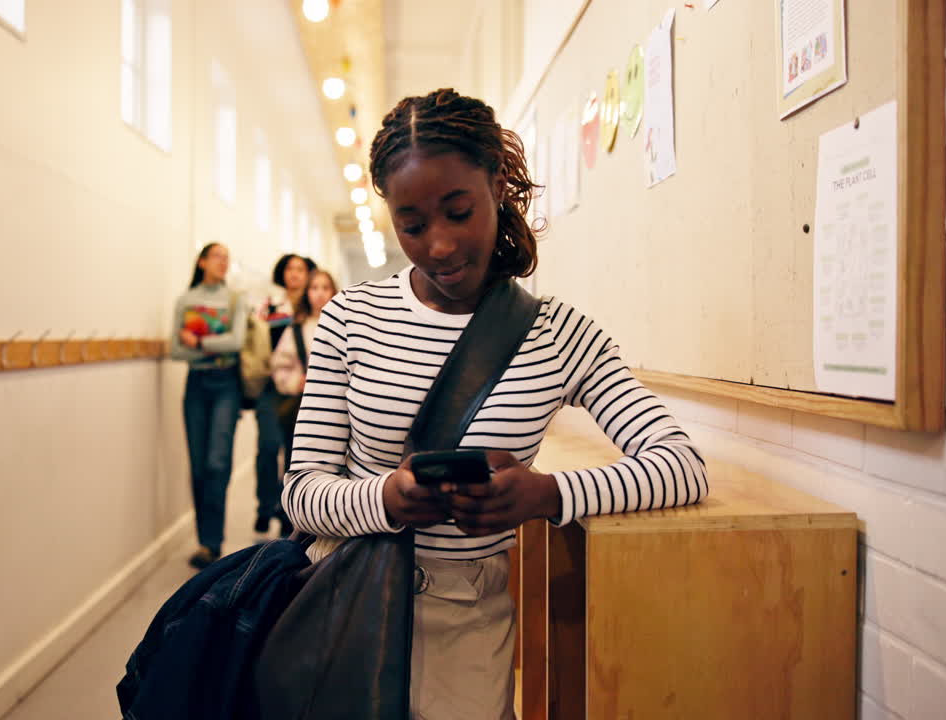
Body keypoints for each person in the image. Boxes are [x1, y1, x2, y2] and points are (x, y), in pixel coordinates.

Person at [281, 89, 709, 719]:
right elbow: (301, 491)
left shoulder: (561, 334)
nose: (441, 246)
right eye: (413, 224)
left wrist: (548, 495)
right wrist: (386, 499)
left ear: (498, 185)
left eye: (460, 211)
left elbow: (682, 465)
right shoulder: (352, 318)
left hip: (469, 629)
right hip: (348, 605)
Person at [171, 242, 247, 570]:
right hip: (196, 384)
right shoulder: (185, 301)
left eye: (227, 258)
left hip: (226, 385)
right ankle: (205, 542)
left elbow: (237, 342)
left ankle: (214, 541)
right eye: (217, 256)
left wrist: (200, 342)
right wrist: (216, 345)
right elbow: (176, 350)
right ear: (202, 261)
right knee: (199, 465)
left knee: (218, 461)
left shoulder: (234, 300)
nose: (223, 262)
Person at [252, 253, 316, 536]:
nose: (294, 274)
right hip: (271, 386)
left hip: (303, 389)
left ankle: (287, 511)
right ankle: (264, 507)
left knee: (294, 453)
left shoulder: (315, 306)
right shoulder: (270, 305)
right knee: (267, 447)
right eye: (289, 269)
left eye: (300, 269)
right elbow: (257, 338)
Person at [269, 269, 339, 448]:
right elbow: (278, 366)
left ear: (333, 291)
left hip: (337, 408)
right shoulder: (296, 329)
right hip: (305, 409)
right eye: (314, 288)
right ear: (307, 293)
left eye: (325, 287)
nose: (320, 293)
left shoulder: (344, 326)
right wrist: (295, 382)